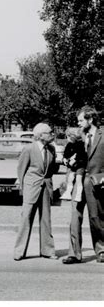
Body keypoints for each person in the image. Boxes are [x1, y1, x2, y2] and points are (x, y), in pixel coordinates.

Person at [62, 106, 104, 264]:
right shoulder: (77, 135)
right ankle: (74, 253)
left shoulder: (103, 135)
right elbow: (70, 153)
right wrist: (67, 161)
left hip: (95, 183)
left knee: (96, 218)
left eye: (81, 120)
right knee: (75, 217)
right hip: (77, 181)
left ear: (90, 119)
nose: (78, 123)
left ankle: (101, 250)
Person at [13, 123, 59, 261]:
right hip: (31, 188)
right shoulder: (28, 149)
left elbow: (51, 169)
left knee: (46, 220)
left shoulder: (51, 149)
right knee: (26, 218)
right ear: (40, 135)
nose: (52, 134)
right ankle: (19, 251)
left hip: (46, 188)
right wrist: (24, 187)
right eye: (49, 132)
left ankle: (48, 250)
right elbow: (21, 170)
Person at [60, 127, 86, 201]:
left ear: (73, 136)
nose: (67, 138)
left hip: (80, 165)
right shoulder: (69, 145)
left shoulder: (81, 144)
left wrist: (75, 160)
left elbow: (82, 155)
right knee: (70, 179)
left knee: (78, 179)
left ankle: (78, 194)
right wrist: (65, 158)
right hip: (72, 166)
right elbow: (65, 153)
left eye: (68, 137)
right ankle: (68, 193)